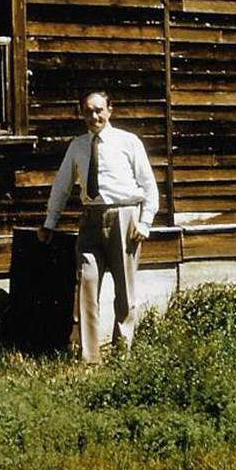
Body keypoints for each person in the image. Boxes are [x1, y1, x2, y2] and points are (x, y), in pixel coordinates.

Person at [37, 90, 158, 363]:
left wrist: (145, 221)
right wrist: (49, 223)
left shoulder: (128, 142)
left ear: (110, 110)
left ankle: (121, 353)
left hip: (124, 218)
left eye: (99, 110)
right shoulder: (77, 146)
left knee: (124, 290)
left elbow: (149, 186)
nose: (94, 116)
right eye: (88, 111)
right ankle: (90, 357)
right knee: (86, 283)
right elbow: (61, 187)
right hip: (91, 219)